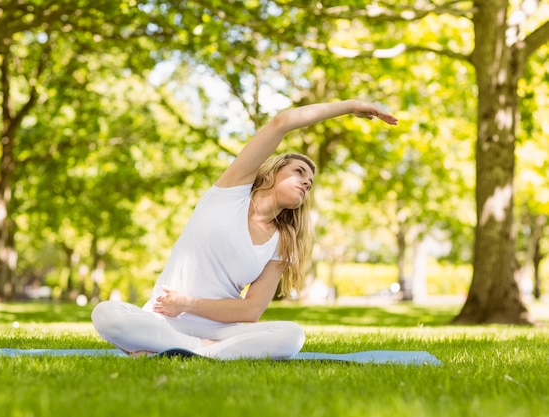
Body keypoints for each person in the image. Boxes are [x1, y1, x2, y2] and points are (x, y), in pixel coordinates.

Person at [91, 99, 397, 360]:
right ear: (273, 173)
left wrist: (187, 303)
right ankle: (202, 350)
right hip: (164, 319)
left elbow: (250, 311)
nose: (306, 182)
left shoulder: (282, 242)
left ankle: (185, 350)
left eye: (310, 182)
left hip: (221, 329)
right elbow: (282, 121)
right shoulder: (230, 191)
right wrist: (350, 106)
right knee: (105, 314)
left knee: (292, 336)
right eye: (299, 172)